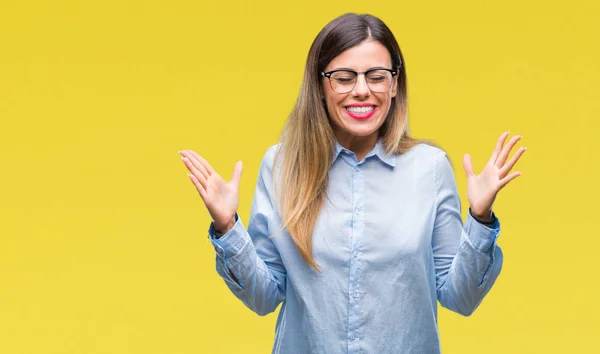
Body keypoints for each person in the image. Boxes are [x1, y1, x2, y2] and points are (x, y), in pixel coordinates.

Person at [180, 13, 525, 354]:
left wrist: (480, 218)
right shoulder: (282, 165)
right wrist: (227, 227)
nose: (362, 91)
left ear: (394, 85)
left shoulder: (429, 168)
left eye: (376, 76)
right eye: (344, 78)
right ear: (319, 86)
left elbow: (460, 297)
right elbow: (264, 296)